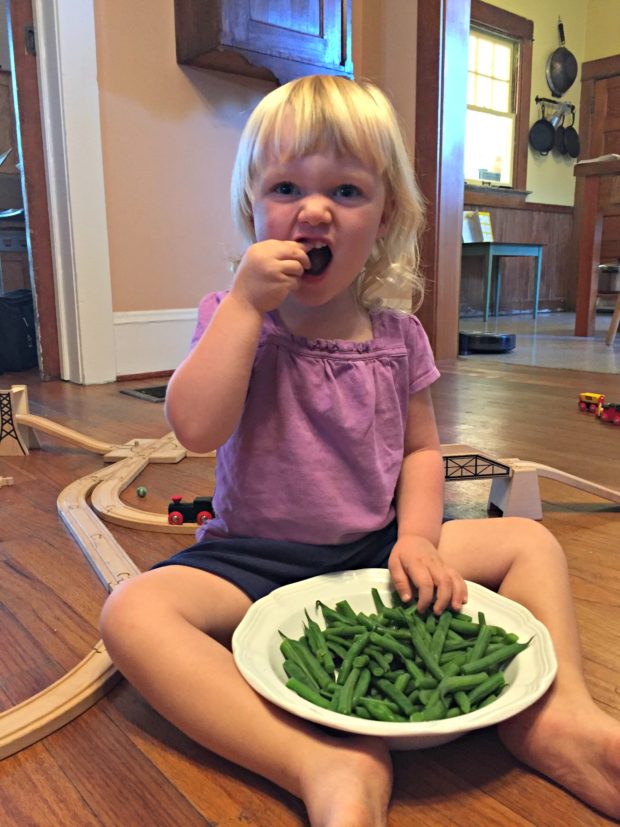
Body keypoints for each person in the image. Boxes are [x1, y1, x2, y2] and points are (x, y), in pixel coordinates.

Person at [100, 75, 620, 826]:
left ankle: (559, 712)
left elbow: (420, 453)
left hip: (376, 551)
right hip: (250, 559)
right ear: (253, 206)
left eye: (345, 191)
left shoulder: (398, 335)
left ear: (384, 219)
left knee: (531, 542)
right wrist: (245, 307)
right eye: (285, 186)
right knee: (131, 614)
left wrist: (418, 538)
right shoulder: (235, 317)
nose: (313, 210)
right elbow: (196, 429)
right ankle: (317, 758)